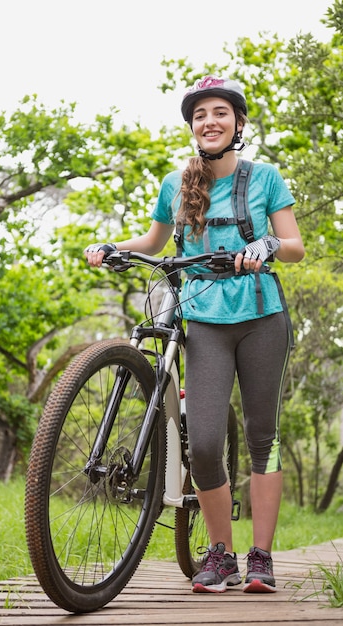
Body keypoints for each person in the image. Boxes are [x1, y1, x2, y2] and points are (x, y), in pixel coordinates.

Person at [84, 75, 305, 594]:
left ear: (238, 124)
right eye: (200, 114)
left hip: (260, 316)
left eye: (220, 113)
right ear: (192, 126)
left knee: (261, 436)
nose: (210, 121)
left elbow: (295, 245)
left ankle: (262, 556)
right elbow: (155, 239)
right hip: (202, 318)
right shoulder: (175, 184)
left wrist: (269, 245)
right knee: (203, 444)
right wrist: (112, 246)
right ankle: (221, 554)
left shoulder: (265, 178)